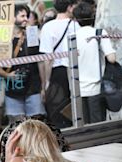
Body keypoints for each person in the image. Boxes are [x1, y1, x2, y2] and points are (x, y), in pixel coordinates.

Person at [0, 4, 46, 124]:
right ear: (12, 18)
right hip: (12, 89)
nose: (26, 19)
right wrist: (6, 75)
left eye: (27, 16)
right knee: (17, 125)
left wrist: (43, 87)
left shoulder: (32, 35)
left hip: (33, 88)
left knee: (36, 125)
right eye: (22, 16)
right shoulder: (3, 38)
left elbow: (40, 61)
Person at [39, 0, 80, 128]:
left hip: (56, 73)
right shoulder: (75, 25)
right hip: (74, 71)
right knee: (73, 109)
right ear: (69, 7)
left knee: (57, 112)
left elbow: (47, 58)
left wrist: (46, 82)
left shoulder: (48, 27)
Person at [73, 2, 116, 124]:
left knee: (84, 126)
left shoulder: (72, 36)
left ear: (76, 20)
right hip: (97, 87)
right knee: (98, 124)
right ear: (93, 16)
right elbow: (111, 58)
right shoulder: (99, 33)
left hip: (78, 90)